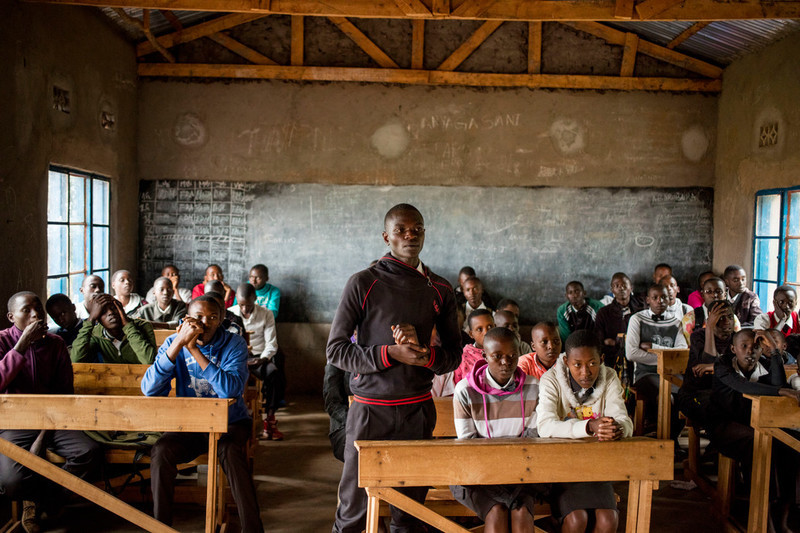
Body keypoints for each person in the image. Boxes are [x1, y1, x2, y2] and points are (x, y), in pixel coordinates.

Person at [326, 203, 461, 533]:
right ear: (386, 236)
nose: (410, 235)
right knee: (355, 509)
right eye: (401, 230)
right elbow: (336, 351)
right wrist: (391, 354)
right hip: (371, 411)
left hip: (417, 410)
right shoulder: (364, 282)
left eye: (417, 229)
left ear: (425, 234)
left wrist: (423, 355)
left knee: (410, 510)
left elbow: (453, 356)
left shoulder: (440, 289)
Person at [141, 295, 264, 532]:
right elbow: (149, 389)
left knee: (230, 452)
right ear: (187, 318)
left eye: (212, 318)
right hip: (192, 424)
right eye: (198, 317)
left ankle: (253, 529)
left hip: (231, 423)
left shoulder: (234, 344)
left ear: (221, 321)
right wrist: (179, 344)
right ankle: (161, 526)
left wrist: (194, 350)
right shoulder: (172, 343)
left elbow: (230, 390)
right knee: (161, 451)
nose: (205, 322)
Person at [0, 292, 101, 531]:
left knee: (89, 453)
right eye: (27, 310)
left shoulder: (55, 344)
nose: (36, 314)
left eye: (39, 309)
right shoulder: (3, 341)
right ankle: (36, 499)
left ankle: (40, 500)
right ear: (11, 316)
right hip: (14, 423)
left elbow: (63, 394)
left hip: (53, 421)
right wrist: (22, 344)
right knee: (10, 482)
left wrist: (42, 437)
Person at [536, 330, 631, 533]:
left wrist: (617, 428)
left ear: (602, 360)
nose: (585, 372)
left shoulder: (610, 377)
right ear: (566, 361)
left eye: (592, 363)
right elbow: (544, 426)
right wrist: (589, 427)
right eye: (577, 364)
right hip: (561, 469)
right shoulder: (550, 380)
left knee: (608, 520)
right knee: (577, 519)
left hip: (596, 468)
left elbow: (624, 420)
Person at [450, 327, 542, 533]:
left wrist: (512, 466)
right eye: (497, 356)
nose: (505, 362)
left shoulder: (534, 387)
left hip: (522, 472)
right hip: (477, 474)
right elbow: (469, 444)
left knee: (521, 513)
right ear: (484, 355)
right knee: (497, 511)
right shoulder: (465, 391)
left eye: (512, 356)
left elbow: (533, 439)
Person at [707, 329, 800, 532]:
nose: (751, 351)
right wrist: (781, 391)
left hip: (756, 425)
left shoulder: (765, 366)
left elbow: (778, 383)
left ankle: (782, 516)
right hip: (723, 428)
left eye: (756, 346)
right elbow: (742, 386)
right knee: (758, 443)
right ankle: (762, 517)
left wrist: (775, 352)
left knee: (790, 443)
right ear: (733, 349)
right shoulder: (722, 365)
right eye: (745, 346)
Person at [625, 284, 687, 429]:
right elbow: (632, 353)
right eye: (655, 298)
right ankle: (665, 439)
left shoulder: (676, 322)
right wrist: (667, 357)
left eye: (664, 297)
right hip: (645, 374)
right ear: (648, 300)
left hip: (672, 375)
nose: (660, 301)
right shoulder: (637, 319)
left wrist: (654, 348)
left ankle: (671, 438)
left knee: (685, 396)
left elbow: (681, 352)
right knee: (667, 397)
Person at [229, 283, 283, 440]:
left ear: (255, 299)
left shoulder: (266, 313)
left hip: (259, 357)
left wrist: (262, 359)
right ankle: (235, 418)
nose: (245, 309)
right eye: (241, 305)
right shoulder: (230, 314)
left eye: (248, 304)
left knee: (274, 374)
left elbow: (271, 343)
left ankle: (270, 419)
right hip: (237, 358)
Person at [676, 301, 735, 427]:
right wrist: (709, 328)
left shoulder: (737, 339)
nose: (727, 321)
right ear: (711, 319)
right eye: (721, 317)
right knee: (715, 408)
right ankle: (716, 444)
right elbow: (709, 361)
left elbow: (736, 367)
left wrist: (715, 367)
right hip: (694, 394)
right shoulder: (698, 336)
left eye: (730, 317)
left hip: (724, 393)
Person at [70, 293, 157, 364]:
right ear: (97, 318)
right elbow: (76, 360)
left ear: (121, 310)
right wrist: (90, 320)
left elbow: (149, 361)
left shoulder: (143, 326)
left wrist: (127, 325)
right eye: (103, 312)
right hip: (111, 382)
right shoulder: (95, 334)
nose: (111, 313)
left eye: (114, 308)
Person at [594, 273, 641, 367]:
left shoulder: (641, 309)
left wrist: (614, 342)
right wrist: (615, 344)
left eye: (624, 285)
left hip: (637, 357)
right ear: (612, 290)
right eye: (617, 286)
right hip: (611, 358)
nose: (621, 288)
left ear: (631, 288)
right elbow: (599, 341)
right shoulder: (603, 313)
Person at [681, 276, 741, 343]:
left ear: (725, 295)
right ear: (702, 294)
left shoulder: (732, 319)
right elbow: (690, 348)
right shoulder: (690, 319)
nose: (714, 295)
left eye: (719, 291)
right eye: (709, 292)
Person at [453, 309, 494, 385]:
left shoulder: (503, 351)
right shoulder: (463, 357)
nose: (486, 332)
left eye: (490, 327)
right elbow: (458, 386)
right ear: (471, 334)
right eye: (479, 329)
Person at [323, 363, 351, 462]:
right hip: (344, 424)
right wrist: (355, 422)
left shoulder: (378, 358)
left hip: (373, 421)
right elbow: (332, 404)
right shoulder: (337, 361)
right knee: (354, 445)